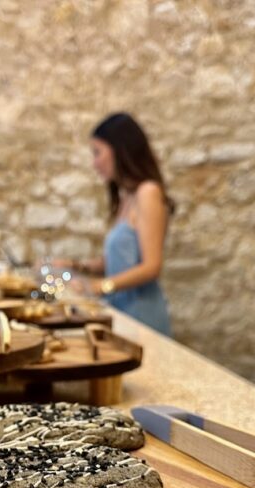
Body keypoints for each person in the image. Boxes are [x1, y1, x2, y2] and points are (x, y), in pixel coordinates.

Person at [84, 112, 173, 335]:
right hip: (122, 310)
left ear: (119, 150)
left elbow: (151, 266)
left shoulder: (148, 192)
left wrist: (99, 287)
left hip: (141, 314)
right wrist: (74, 266)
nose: (94, 163)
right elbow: (122, 259)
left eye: (98, 153)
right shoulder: (127, 197)